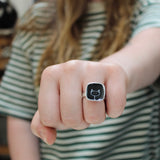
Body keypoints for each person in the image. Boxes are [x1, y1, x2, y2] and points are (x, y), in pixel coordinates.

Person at [0, 0, 160, 159]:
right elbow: (20, 116)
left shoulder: (149, 7)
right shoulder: (36, 21)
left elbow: (149, 50)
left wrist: (111, 74)